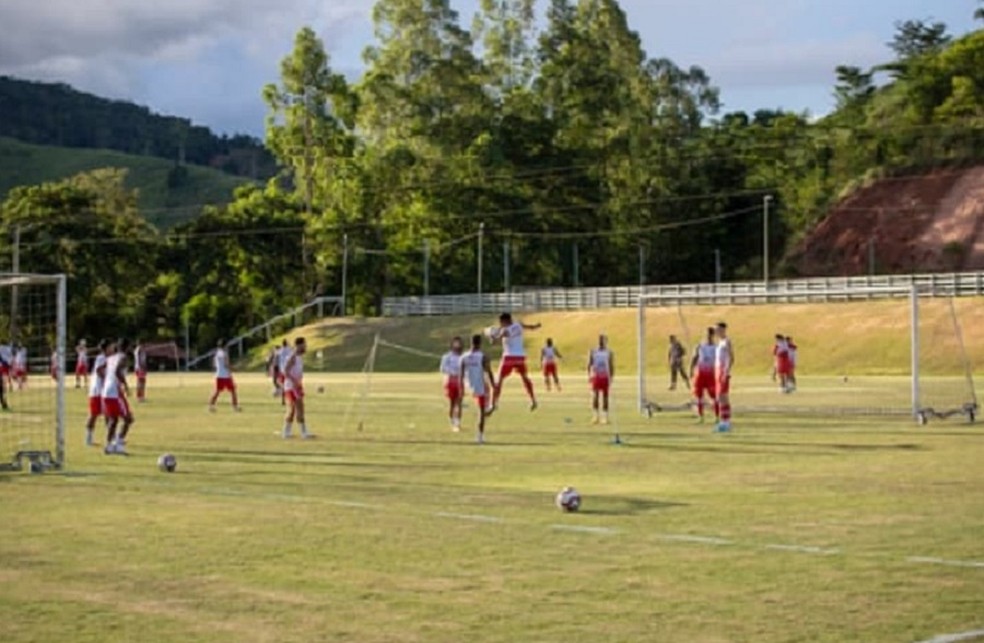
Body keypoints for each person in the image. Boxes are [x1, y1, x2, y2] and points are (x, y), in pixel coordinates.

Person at [490, 312, 541, 412]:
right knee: (525, 378)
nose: (500, 324)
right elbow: (531, 327)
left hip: (509, 357)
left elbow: (498, 338)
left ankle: (493, 404)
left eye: (501, 322)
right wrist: (537, 326)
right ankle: (533, 400)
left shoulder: (506, 330)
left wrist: (493, 338)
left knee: (499, 380)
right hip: (520, 357)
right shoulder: (518, 325)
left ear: (505, 321)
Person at [460, 334, 496, 444]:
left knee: (483, 408)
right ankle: (480, 436)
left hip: (469, 386)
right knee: (482, 411)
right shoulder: (482, 356)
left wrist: (461, 389)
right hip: (480, 386)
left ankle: (490, 408)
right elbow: (488, 371)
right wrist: (494, 384)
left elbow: (460, 374)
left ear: (471, 342)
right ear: (480, 343)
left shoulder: (464, 357)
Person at [102, 338, 134, 454]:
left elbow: (101, 369)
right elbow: (117, 371)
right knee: (129, 419)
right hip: (115, 392)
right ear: (127, 347)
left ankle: (109, 446)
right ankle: (119, 444)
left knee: (114, 419)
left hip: (106, 391)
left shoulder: (110, 358)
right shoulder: (123, 357)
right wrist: (125, 385)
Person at [281, 337, 311, 439]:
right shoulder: (293, 357)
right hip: (292, 386)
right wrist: (294, 381)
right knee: (298, 408)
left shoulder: (298, 357)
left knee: (295, 409)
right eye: (304, 344)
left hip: (296, 385)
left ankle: (287, 432)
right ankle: (303, 433)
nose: (305, 346)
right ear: (299, 345)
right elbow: (285, 371)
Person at [690, 326, 717, 424]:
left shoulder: (716, 348)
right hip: (700, 374)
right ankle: (700, 416)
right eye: (707, 334)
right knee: (698, 396)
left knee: (713, 396)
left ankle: (716, 416)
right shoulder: (699, 346)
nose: (708, 337)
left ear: (713, 336)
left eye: (710, 335)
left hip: (711, 374)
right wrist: (691, 371)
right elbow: (694, 358)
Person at [85, 339, 109, 447]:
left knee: (109, 414)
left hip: (103, 390)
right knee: (94, 414)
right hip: (97, 390)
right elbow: (99, 371)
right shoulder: (101, 357)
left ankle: (111, 437)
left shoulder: (107, 358)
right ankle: (88, 438)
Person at [588, 334, 614, 427]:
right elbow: (589, 363)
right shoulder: (593, 351)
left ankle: (605, 417)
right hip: (596, 376)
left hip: (605, 376)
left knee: (605, 396)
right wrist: (589, 375)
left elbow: (611, 364)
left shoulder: (609, 352)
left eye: (603, 340)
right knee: (595, 396)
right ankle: (595, 416)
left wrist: (611, 376)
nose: (601, 342)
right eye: (600, 340)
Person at [208, 339, 241, 412]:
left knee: (217, 391)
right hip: (225, 375)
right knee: (233, 390)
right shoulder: (225, 353)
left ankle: (211, 406)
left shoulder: (217, 353)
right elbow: (226, 364)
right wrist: (234, 368)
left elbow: (214, 364)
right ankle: (235, 407)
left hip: (219, 375)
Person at [439, 337, 464, 432]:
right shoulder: (447, 356)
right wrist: (453, 371)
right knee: (452, 403)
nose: (457, 345)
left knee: (459, 402)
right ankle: (452, 421)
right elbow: (443, 368)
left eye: (459, 343)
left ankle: (458, 423)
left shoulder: (463, 356)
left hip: (460, 381)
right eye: (456, 343)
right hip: (450, 381)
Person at [714, 322, 735, 433]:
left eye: (717, 329)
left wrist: (726, 372)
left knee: (723, 397)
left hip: (723, 371)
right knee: (720, 397)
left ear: (723, 330)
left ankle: (725, 422)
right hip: (717, 370)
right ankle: (724, 421)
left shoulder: (727, 342)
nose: (716, 332)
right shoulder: (719, 342)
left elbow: (731, 357)